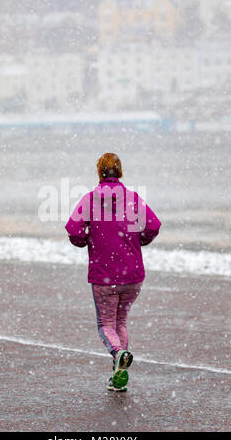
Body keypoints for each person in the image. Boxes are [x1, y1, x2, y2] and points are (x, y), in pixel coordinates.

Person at [65, 153, 161, 392]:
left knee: (105, 324)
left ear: (99, 172)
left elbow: (73, 230)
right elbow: (154, 225)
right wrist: (140, 241)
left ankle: (118, 354)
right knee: (121, 321)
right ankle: (118, 374)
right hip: (133, 274)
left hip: (104, 275)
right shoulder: (133, 198)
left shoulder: (90, 199)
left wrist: (87, 239)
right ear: (120, 172)